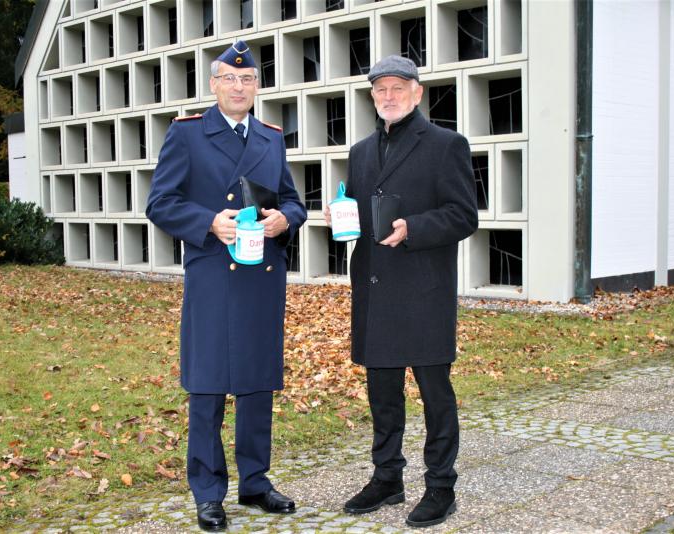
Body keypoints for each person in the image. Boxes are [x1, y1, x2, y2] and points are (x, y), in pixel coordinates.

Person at [146, 40, 307, 532]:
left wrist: (286, 220)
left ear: (258, 87)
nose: (240, 86)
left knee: (258, 385)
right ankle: (208, 491)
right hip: (214, 276)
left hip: (261, 279)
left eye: (249, 79)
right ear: (214, 84)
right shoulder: (188, 134)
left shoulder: (271, 137)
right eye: (230, 79)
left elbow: (293, 201)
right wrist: (208, 223)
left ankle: (255, 482)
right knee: (208, 387)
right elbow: (160, 203)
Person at [325, 55, 478, 528]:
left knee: (435, 394)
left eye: (397, 87)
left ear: (417, 92)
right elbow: (359, 208)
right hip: (375, 289)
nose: (388, 97)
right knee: (382, 394)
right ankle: (388, 478)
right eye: (379, 90)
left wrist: (412, 227)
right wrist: (340, 216)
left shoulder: (446, 145)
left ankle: (441, 487)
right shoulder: (361, 150)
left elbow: (463, 215)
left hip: (423, 291)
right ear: (372, 97)